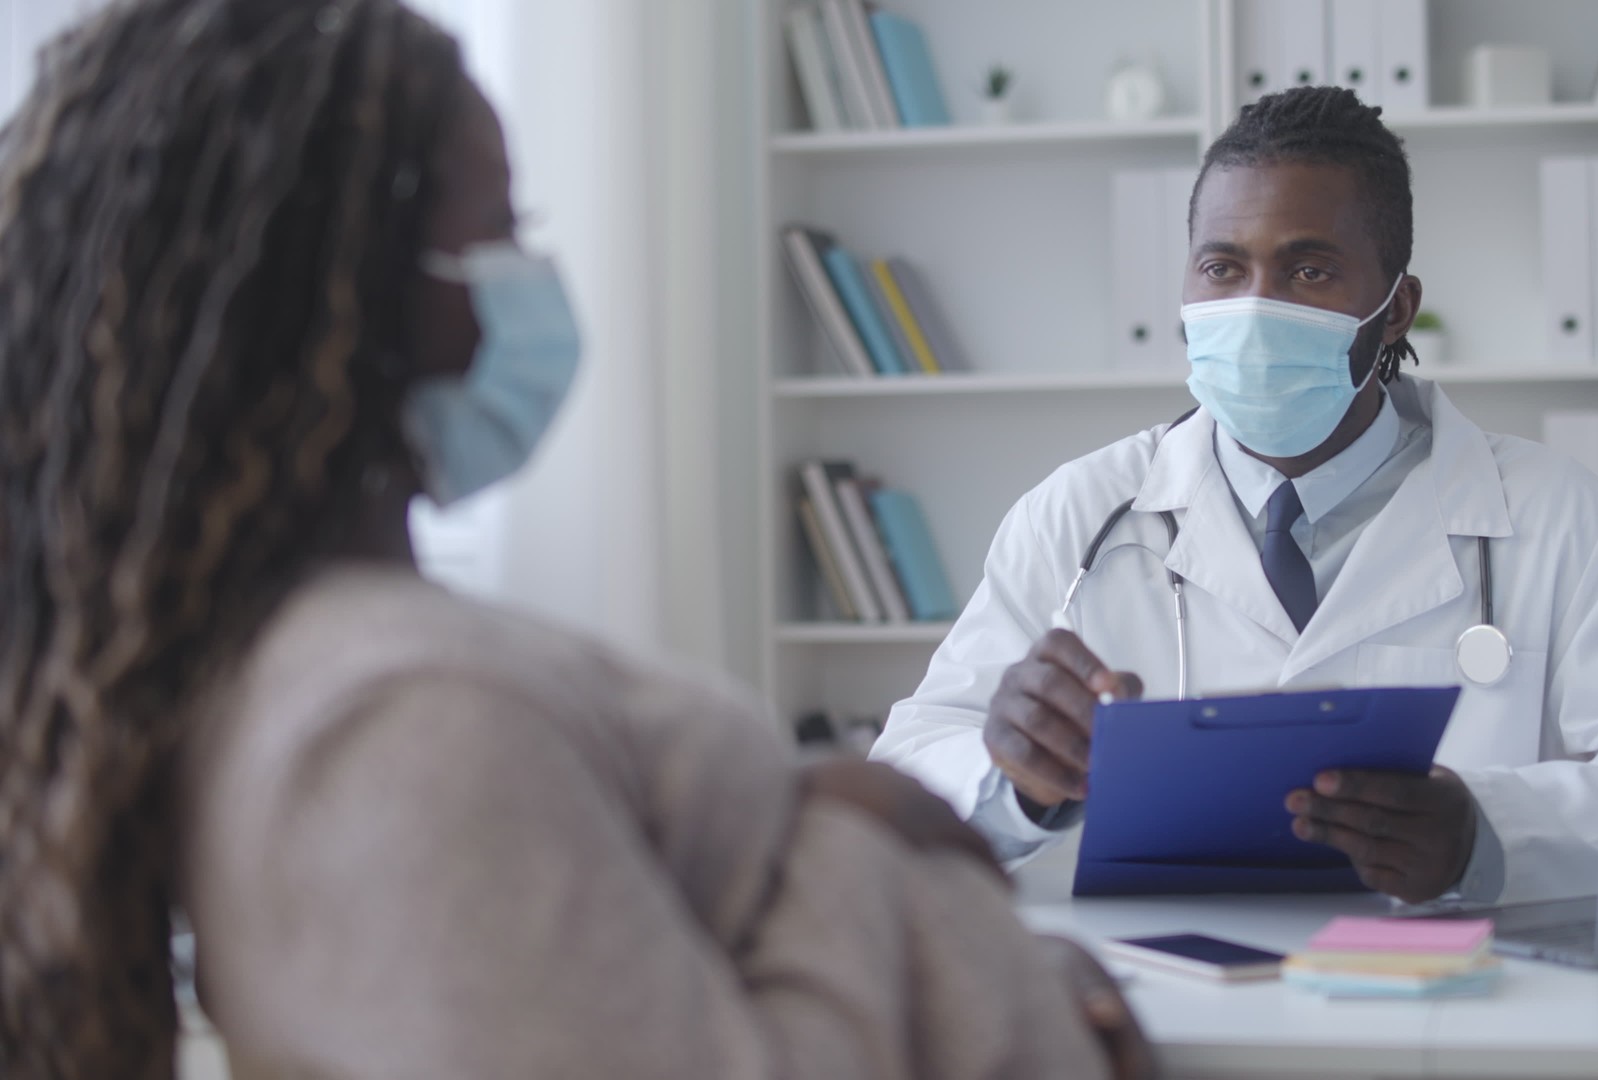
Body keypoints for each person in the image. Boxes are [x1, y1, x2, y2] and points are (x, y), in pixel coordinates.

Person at [0, 2, 1149, 1078]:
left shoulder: (304, 659)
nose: (534, 278)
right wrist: (863, 827)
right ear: (343, 288)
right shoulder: (400, 719)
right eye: (503, 232)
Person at [871, 86, 1598, 907]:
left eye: (1309, 269)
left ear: (1396, 307)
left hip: (1450, 1006)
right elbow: (903, 777)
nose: (1254, 308)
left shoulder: (1572, 526)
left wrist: (1485, 833)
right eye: (1222, 267)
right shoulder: (1077, 515)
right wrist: (1015, 777)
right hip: (1166, 1001)